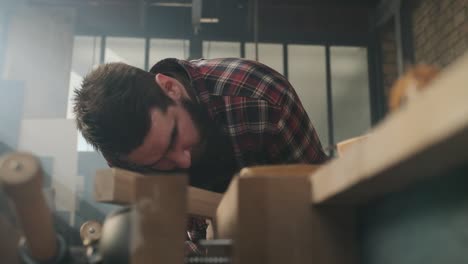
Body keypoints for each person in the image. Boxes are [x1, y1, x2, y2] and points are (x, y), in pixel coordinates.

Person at [73, 57, 329, 253]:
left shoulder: (261, 97)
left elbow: (324, 206)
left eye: (174, 136)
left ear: (171, 88)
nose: (182, 161)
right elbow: (171, 242)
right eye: (158, 162)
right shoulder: (125, 158)